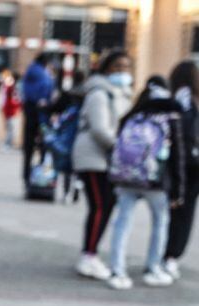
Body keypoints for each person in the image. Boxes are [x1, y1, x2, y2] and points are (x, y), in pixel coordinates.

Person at [106, 77, 186, 289]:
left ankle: (117, 270)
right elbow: (178, 156)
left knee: (122, 223)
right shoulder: (170, 116)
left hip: (126, 178)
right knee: (160, 222)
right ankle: (153, 268)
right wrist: (178, 190)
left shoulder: (133, 114)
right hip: (156, 180)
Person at [72, 49, 133, 280]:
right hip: (93, 157)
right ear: (106, 68)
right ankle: (88, 256)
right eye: (117, 67)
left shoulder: (120, 93)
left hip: (106, 158)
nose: (122, 72)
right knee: (100, 206)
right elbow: (99, 129)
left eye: (126, 67)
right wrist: (121, 148)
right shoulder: (99, 92)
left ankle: (91, 253)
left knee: (105, 206)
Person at [164, 60, 199, 279]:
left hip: (173, 164)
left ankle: (165, 255)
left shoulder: (172, 98)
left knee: (171, 213)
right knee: (183, 214)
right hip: (190, 165)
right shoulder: (189, 102)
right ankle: (171, 256)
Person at [45, 69, 86, 202]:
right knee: (76, 170)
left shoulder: (71, 104)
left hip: (68, 139)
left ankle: (65, 192)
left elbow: (60, 117)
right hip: (79, 139)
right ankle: (75, 193)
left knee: (66, 169)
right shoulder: (86, 99)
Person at [21, 53, 56, 188]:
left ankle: (26, 176)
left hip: (30, 114)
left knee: (28, 149)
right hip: (41, 116)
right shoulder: (43, 75)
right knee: (43, 147)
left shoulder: (30, 72)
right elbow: (47, 92)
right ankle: (41, 178)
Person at [0, 68, 22, 150]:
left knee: (12, 127)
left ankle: (9, 143)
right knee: (11, 127)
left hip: (11, 109)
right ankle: (8, 143)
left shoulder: (12, 87)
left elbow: (15, 98)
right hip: (10, 109)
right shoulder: (11, 87)